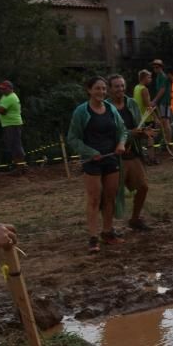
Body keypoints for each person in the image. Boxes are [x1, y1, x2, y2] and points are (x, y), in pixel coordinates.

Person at [67, 76, 128, 254]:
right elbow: (72, 138)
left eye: (103, 89)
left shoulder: (110, 109)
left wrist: (121, 144)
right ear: (89, 90)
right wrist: (89, 152)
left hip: (111, 159)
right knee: (94, 199)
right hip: (92, 161)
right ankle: (93, 238)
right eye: (97, 89)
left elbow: (122, 130)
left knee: (109, 198)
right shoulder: (81, 111)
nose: (101, 92)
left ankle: (107, 232)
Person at [107, 74, 153, 231]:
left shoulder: (131, 103)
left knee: (143, 186)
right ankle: (108, 228)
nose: (120, 89)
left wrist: (144, 132)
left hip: (132, 153)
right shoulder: (106, 107)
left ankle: (135, 219)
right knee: (112, 194)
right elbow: (109, 133)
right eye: (116, 86)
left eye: (122, 85)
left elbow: (138, 125)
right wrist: (130, 133)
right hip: (115, 156)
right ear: (110, 89)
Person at [0, 80, 25, 173]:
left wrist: (0, 110)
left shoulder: (10, 97)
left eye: (4, 89)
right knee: (12, 145)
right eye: (1, 89)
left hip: (13, 124)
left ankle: (20, 168)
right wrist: (0, 110)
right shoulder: (5, 96)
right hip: (9, 124)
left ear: (10, 88)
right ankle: (19, 166)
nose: (2, 91)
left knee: (16, 145)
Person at [133, 69, 159, 164]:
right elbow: (148, 105)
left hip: (139, 117)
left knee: (140, 138)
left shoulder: (136, 87)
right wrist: (155, 117)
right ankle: (151, 158)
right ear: (144, 78)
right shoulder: (144, 89)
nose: (150, 79)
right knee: (150, 137)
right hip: (147, 117)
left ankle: (142, 157)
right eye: (149, 77)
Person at [148, 59, 172, 150]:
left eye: (157, 67)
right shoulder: (158, 77)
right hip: (161, 102)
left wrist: (154, 100)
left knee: (166, 122)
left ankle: (168, 143)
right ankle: (165, 141)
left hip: (165, 102)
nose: (155, 69)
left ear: (161, 67)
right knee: (162, 122)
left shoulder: (163, 77)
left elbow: (162, 90)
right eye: (153, 67)